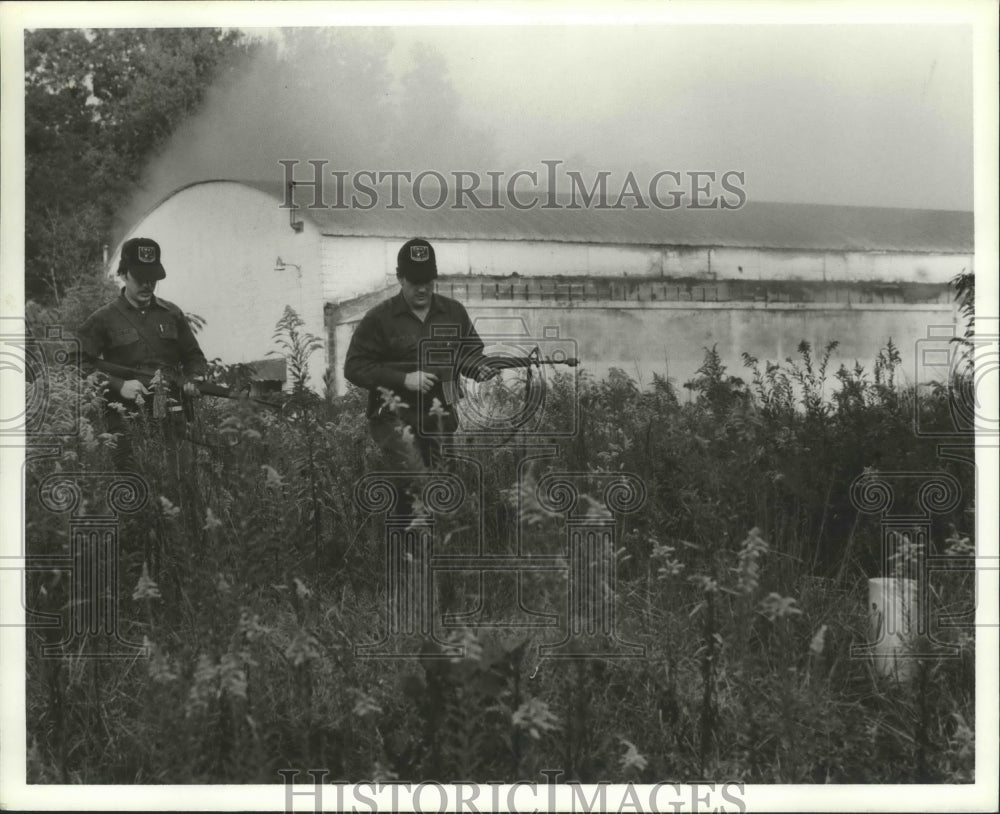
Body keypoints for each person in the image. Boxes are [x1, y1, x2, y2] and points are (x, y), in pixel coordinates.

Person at [344, 237, 495, 472]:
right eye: (415, 282)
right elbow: (354, 367)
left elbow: (469, 355)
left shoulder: (453, 312)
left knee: (444, 488)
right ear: (399, 277)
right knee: (411, 488)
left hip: (440, 421)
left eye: (427, 281)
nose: (422, 288)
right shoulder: (379, 318)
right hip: (395, 422)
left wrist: (480, 368)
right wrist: (404, 379)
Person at [76, 237, 208, 472]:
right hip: (127, 421)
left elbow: (194, 356)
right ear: (124, 274)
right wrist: (118, 384)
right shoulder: (104, 318)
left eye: (153, 279)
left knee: (178, 485)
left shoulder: (171, 313)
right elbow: (77, 363)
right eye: (141, 278)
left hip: (171, 417)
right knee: (132, 487)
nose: (148, 285)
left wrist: (194, 378)